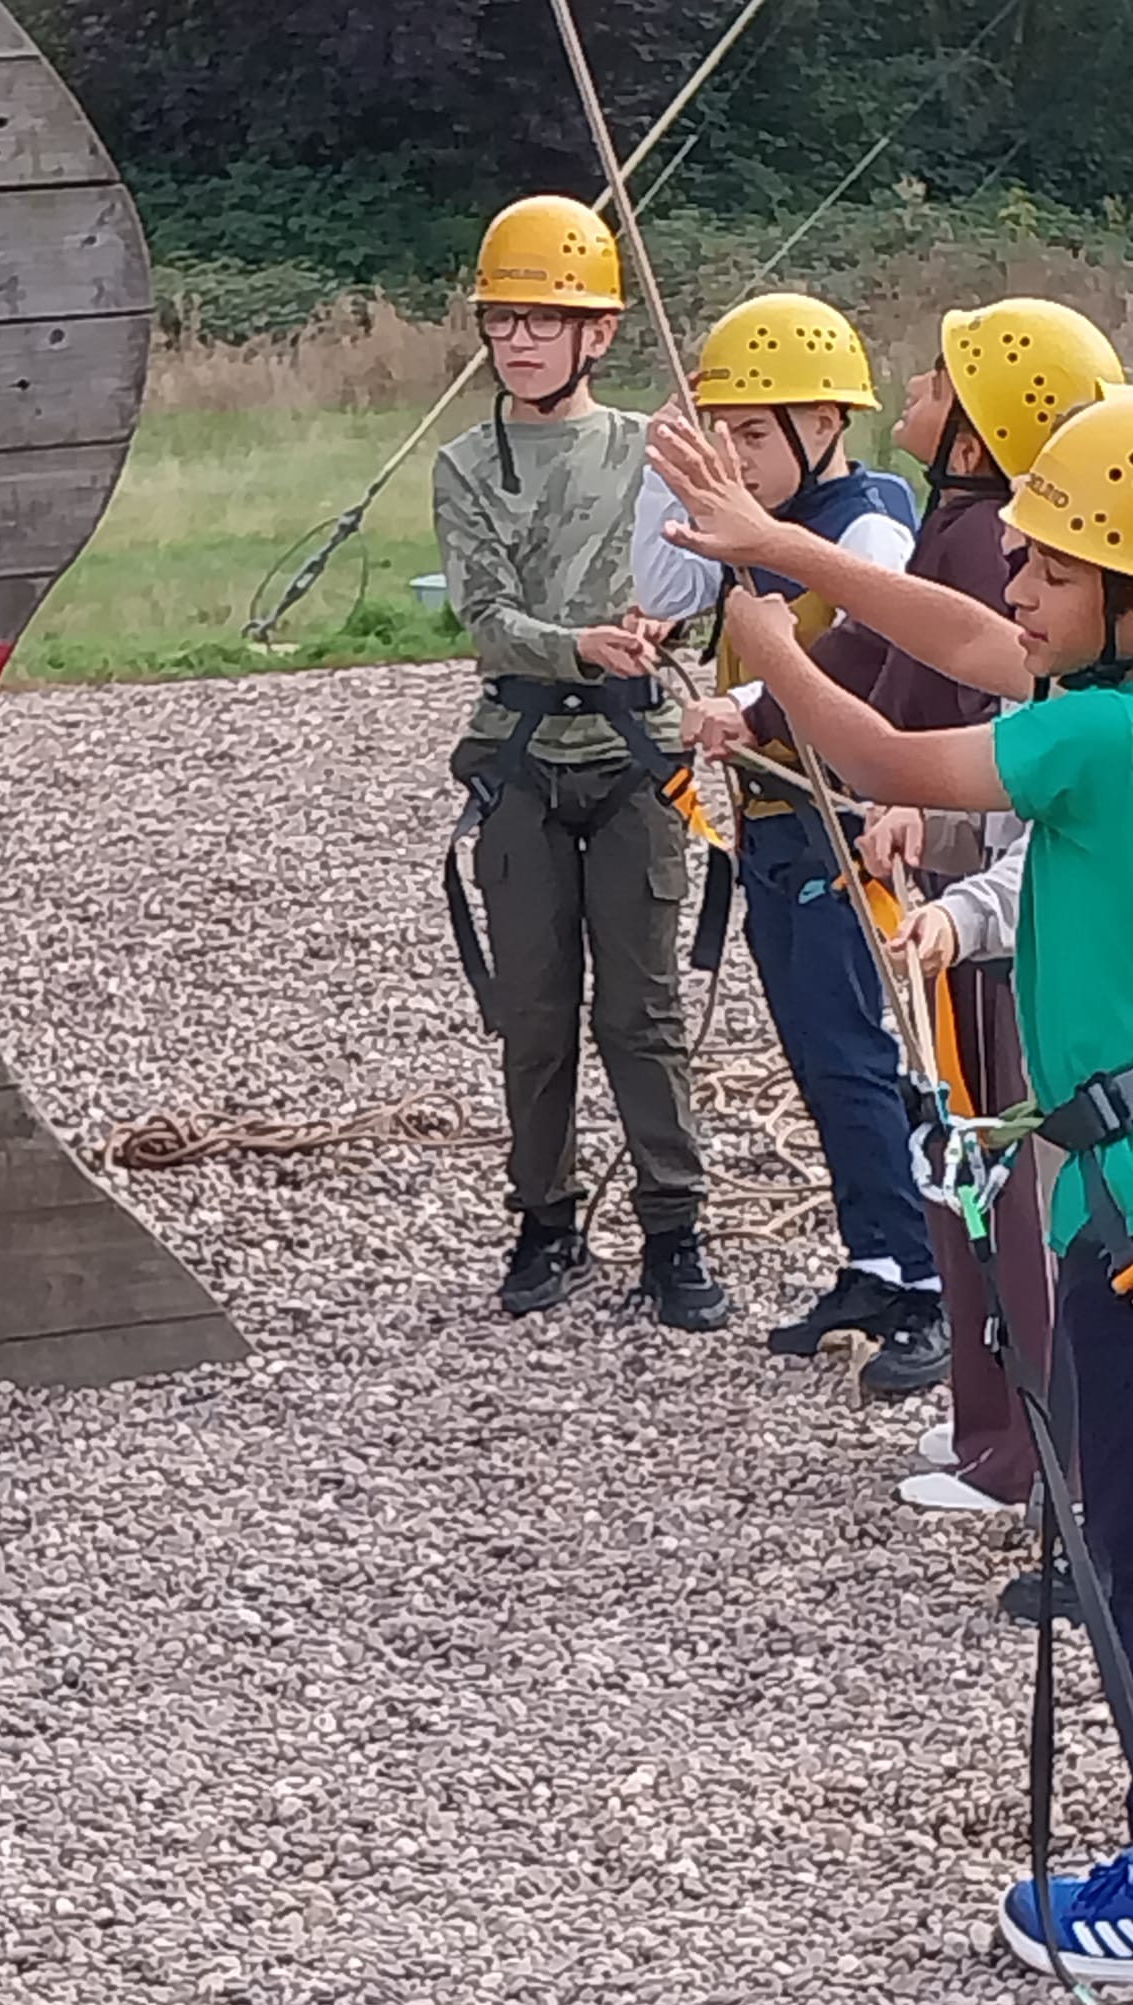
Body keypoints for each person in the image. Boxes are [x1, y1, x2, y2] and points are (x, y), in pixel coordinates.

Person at [646, 381, 1133, 1998]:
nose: (1014, 589)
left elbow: (901, 740)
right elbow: (982, 651)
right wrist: (777, 540)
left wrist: (767, 649)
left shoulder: (1100, 731)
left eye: (1048, 566)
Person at [815, 299, 1124, 1450]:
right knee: (975, 1178)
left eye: (943, 378)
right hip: (970, 908)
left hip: (1005, 951)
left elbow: (922, 718)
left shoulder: (1007, 562)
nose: (1022, 588)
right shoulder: (984, 539)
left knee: (1017, 1197)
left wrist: (762, 591)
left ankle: (1039, 1460)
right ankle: (1005, 1444)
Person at [632, 293, 948, 1394]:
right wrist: (675, 472)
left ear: (824, 424)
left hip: (834, 822)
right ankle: (873, 1254)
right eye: (725, 433)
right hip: (769, 825)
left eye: (754, 434)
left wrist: (755, 704)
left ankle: (926, 1277)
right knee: (820, 1054)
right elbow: (660, 582)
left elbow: (869, 638)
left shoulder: (869, 519)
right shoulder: (745, 519)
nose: (738, 456)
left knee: (865, 1054)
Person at [434, 194, 729, 1332]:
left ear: (596, 334)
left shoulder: (653, 451)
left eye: (542, 321)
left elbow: (706, 576)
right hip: (521, 760)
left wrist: (663, 632)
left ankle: (675, 1228)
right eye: (503, 319)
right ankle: (545, 1221)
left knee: (642, 1012)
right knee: (536, 1011)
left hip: (634, 756)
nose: (517, 340)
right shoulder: (467, 465)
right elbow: (485, 614)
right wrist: (575, 645)